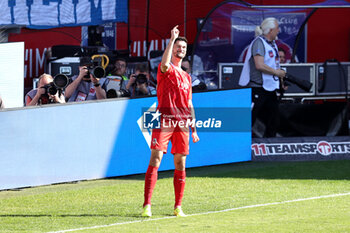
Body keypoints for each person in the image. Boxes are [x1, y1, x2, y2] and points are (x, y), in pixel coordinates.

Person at [142, 25, 200, 217]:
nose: (180, 50)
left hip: (183, 123)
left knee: (180, 164)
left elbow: (190, 102)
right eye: (178, 47)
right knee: (156, 158)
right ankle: (147, 205)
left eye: (183, 47)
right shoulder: (165, 69)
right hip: (165, 119)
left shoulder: (186, 76)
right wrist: (172, 39)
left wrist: (194, 127)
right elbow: (165, 63)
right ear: (172, 48)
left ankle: (177, 206)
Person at [239, 17, 286, 137]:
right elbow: (259, 65)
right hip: (258, 87)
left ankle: (269, 146)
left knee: (274, 120)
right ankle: (239, 144)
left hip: (270, 87)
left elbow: (275, 64)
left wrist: (280, 83)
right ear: (270, 30)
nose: (279, 31)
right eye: (277, 28)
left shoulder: (273, 44)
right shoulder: (259, 43)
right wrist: (276, 73)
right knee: (249, 119)